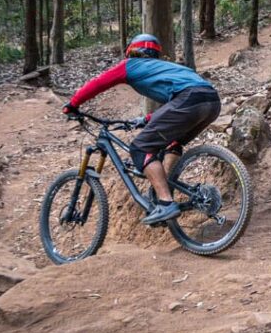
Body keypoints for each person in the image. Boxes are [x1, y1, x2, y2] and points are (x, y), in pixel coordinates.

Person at [63, 33, 220, 225]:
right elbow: (177, 103)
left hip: (189, 100)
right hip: (211, 101)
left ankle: (165, 202)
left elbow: (99, 82)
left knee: (140, 148)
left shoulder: (129, 65)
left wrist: (73, 104)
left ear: (131, 51)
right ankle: (164, 189)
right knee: (173, 142)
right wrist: (147, 119)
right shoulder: (169, 68)